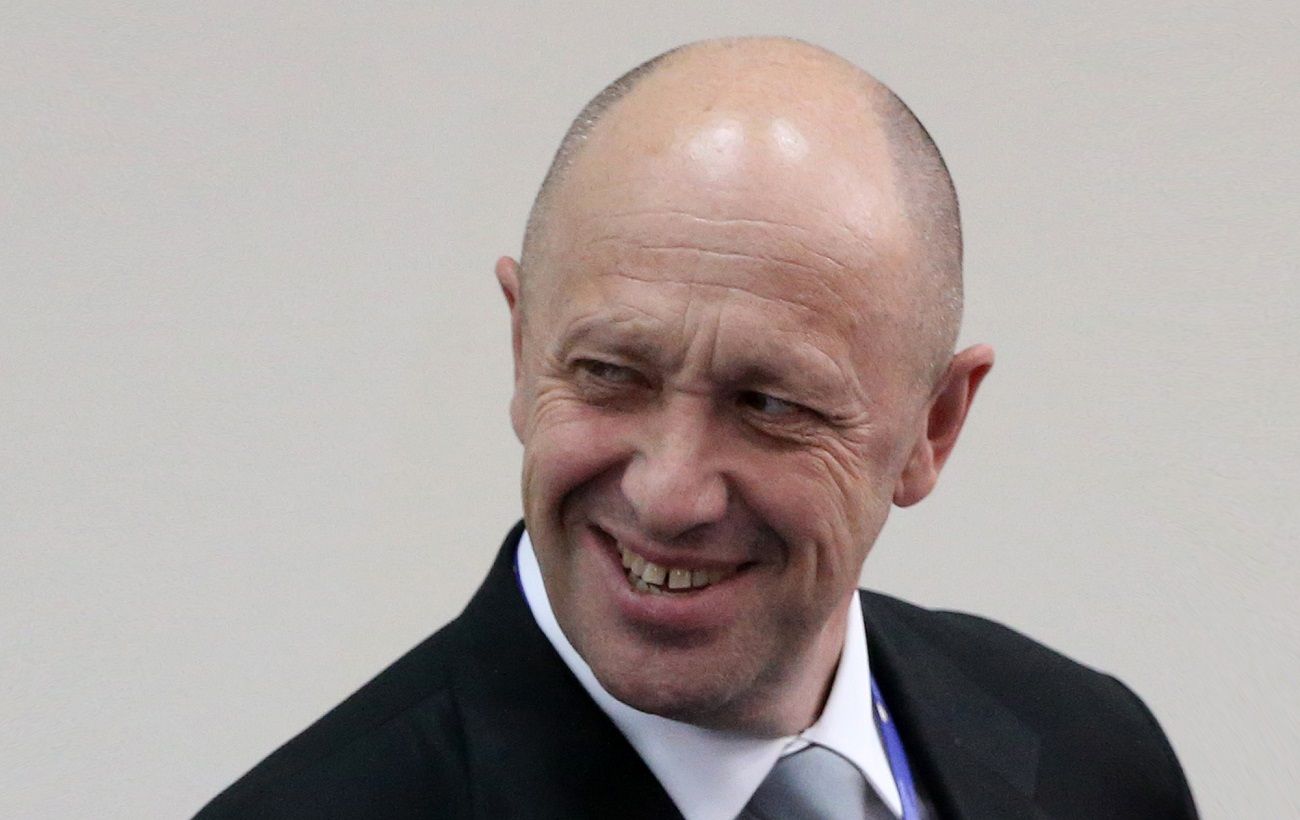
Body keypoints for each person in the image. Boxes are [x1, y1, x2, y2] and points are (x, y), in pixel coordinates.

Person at [196, 37, 1197, 818]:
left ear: (933, 428)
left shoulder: (1095, 758)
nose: (669, 494)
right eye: (608, 374)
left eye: (771, 405)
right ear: (521, 351)